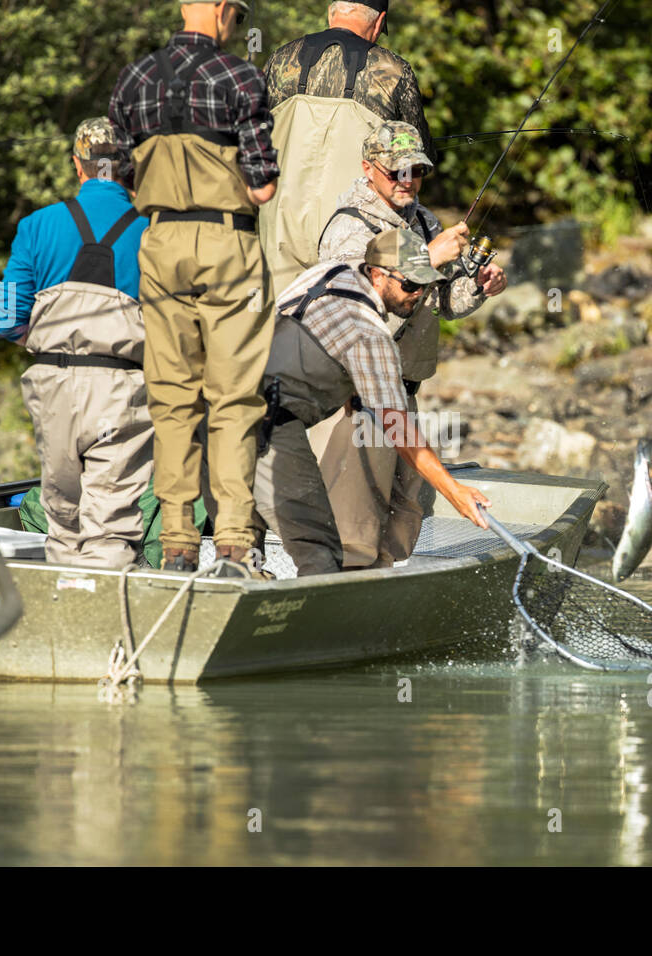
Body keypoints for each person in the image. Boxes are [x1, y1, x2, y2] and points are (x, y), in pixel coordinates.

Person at [109, 0, 279, 573]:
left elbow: (123, 169)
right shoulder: (240, 75)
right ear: (224, 10)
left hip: (158, 242)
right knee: (233, 396)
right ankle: (233, 538)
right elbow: (262, 189)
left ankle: (177, 541)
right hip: (228, 241)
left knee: (172, 397)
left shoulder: (133, 78)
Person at [316, 121, 508, 568]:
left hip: (405, 388)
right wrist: (427, 258)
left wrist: (479, 285)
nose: (408, 182)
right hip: (356, 396)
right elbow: (346, 312)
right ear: (369, 169)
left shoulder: (424, 222)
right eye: (396, 172)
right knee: (356, 524)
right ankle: (344, 599)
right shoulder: (349, 229)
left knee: (406, 512)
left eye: (417, 172)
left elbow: (447, 301)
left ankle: (388, 592)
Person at [253, 227, 490, 576]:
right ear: (378, 274)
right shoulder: (371, 335)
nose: (417, 294)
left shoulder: (327, 272)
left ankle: (241, 593)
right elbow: (398, 428)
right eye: (409, 284)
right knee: (321, 546)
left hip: (222, 407)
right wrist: (453, 490)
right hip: (268, 423)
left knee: (242, 531)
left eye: (424, 284)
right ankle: (318, 629)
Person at [0, 118, 153, 568]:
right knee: (112, 526)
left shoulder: (36, 225)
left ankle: (67, 624)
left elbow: (6, 319)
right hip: (123, 389)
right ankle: (109, 630)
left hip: (52, 387)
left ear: (78, 166)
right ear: (127, 170)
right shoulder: (152, 231)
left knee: (62, 522)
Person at [261, 0, 434, 295]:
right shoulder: (392, 70)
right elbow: (420, 153)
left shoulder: (280, 60)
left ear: (331, 12)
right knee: (349, 323)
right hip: (352, 230)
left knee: (281, 328)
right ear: (379, 22)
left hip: (279, 225)